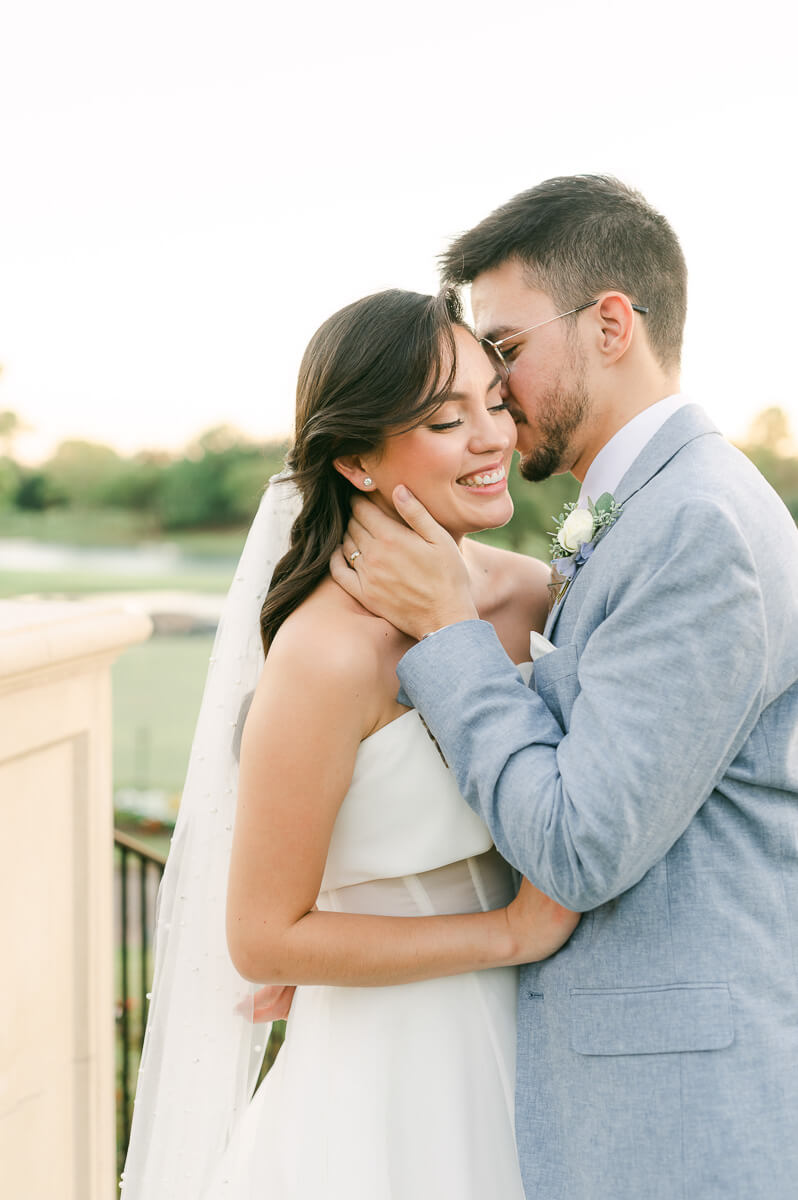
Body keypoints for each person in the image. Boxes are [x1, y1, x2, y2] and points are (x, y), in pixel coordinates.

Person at [331, 176, 798, 1199]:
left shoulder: (698, 526)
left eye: (502, 350)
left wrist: (450, 631)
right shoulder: (652, 508)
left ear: (612, 324)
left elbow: (582, 845)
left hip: (680, 1131)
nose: (493, 395)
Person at [120, 287, 579, 1200]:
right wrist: (509, 934)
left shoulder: (534, 594)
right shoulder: (328, 655)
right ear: (358, 462)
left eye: (495, 401)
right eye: (448, 419)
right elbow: (264, 938)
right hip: (384, 1082)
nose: (492, 438)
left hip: (548, 1053)